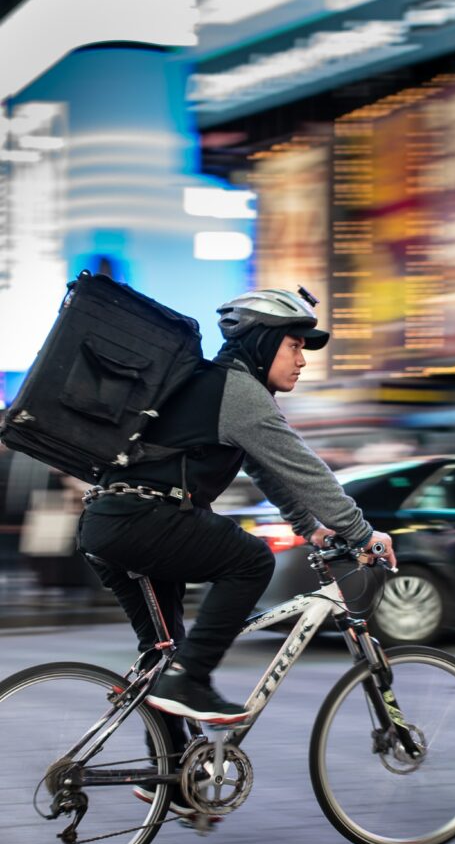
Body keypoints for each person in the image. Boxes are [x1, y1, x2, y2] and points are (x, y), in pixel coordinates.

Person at [78, 287, 396, 755]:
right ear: (264, 341)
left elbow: (266, 468)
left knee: (163, 653)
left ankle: (169, 774)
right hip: (144, 519)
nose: (302, 360)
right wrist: (361, 532)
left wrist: (308, 527)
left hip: (106, 522)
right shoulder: (238, 391)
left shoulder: (217, 387)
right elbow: (305, 470)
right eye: (294, 345)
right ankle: (192, 681)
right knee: (250, 560)